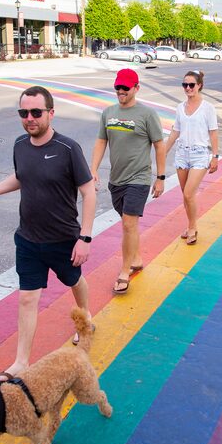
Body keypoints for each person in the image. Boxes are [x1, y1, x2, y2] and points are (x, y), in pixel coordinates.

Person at [0, 85, 96, 385]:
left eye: (36, 112)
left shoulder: (68, 149)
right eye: (24, 113)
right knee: (27, 298)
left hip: (64, 238)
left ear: (51, 113)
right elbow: (21, 176)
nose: (30, 118)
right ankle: (20, 363)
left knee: (74, 280)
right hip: (28, 238)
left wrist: (85, 238)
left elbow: (89, 192)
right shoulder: (19, 145)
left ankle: (86, 319)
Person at [91, 68, 167, 295]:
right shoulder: (108, 113)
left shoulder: (147, 114)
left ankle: (125, 271)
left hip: (139, 178)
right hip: (116, 180)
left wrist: (160, 178)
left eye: (126, 87)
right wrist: (93, 169)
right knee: (128, 224)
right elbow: (101, 141)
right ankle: (135, 258)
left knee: (128, 224)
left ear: (136, 88)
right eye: (118, 87)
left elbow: (159, 145)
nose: (121, 91)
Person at [165, 70, 219, 245]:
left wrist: (215, 156)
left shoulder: (208, 108)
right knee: (186, 195)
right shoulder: (180, 107)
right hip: (182, 154)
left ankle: (193, 227)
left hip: (200, 154)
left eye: (191, 85)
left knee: (189, 193)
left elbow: (213, 133)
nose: (188, 88)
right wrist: (163, 151)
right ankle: (190, 225)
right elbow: (175, 131)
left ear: (199, 86)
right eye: (185, 85)